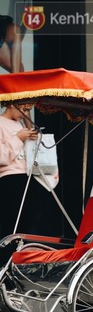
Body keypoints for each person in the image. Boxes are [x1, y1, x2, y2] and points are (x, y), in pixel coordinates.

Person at [0, 102, 40, 263]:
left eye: (28, 111)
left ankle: (19, 265)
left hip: (27, 176)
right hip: (9, 178)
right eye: (23, 109)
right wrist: (18, 138)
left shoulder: (20, 123)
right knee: (11, 228)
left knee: (26, 227)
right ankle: (5, 266)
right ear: (11, 104)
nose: (24, 114)